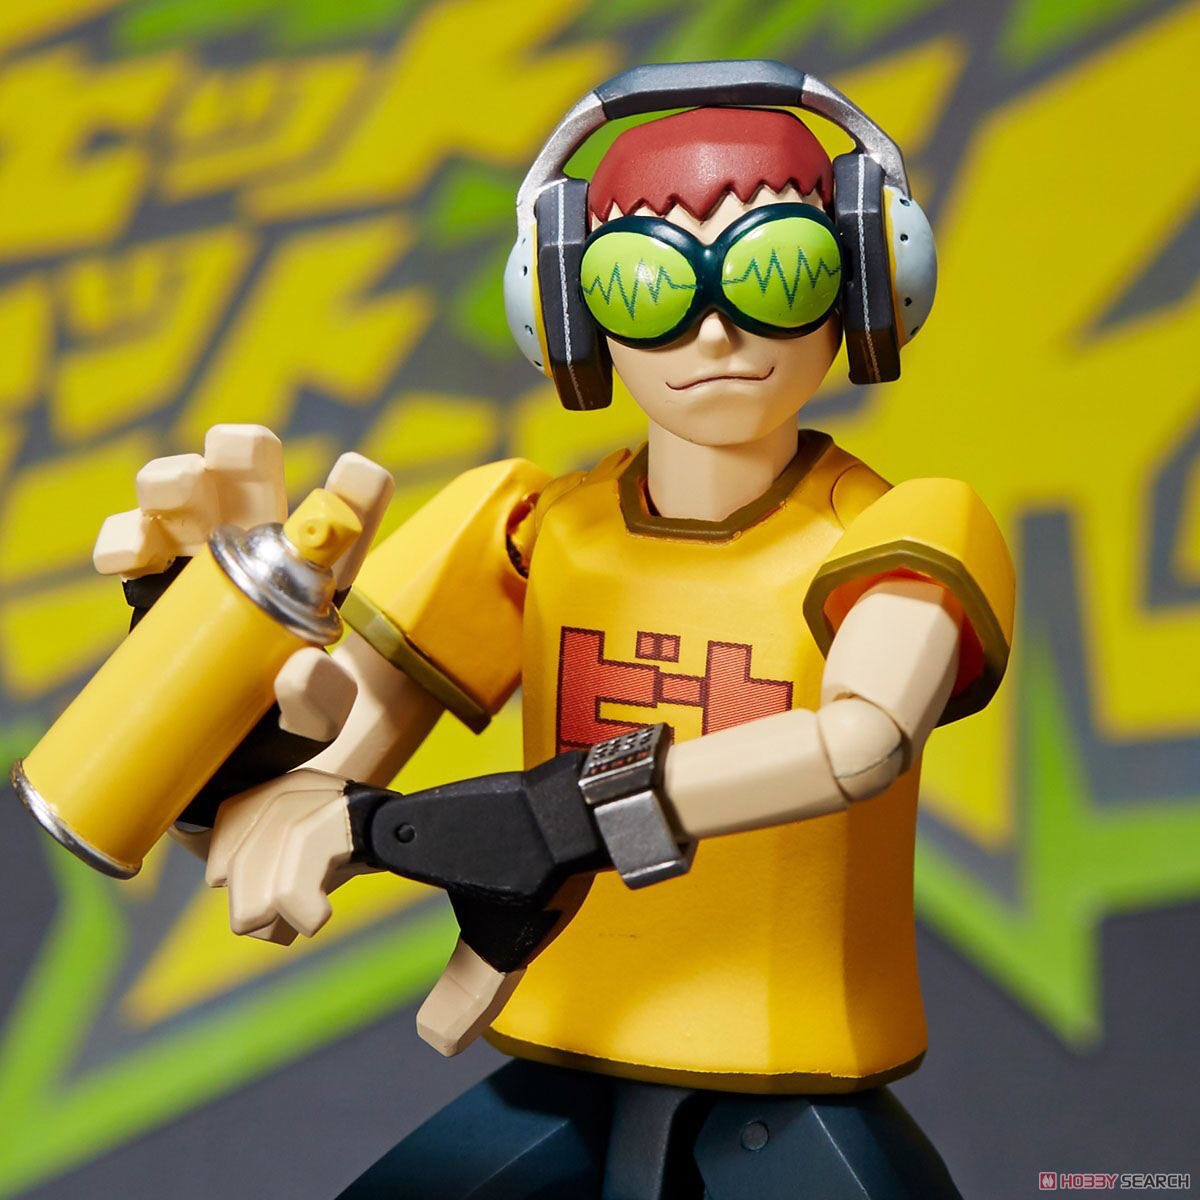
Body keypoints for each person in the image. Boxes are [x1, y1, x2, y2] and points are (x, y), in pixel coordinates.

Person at [95, 65, 1013, 1200]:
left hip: (788, 1078)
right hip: (568, 1052)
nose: (715, 329)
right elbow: (310, 793)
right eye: (644, 285)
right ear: (571, 312)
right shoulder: (531, 528)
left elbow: (858, 741)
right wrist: (209, 698)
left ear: (870, 280)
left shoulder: (899, 531)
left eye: (778, 271)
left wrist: (557, 814)